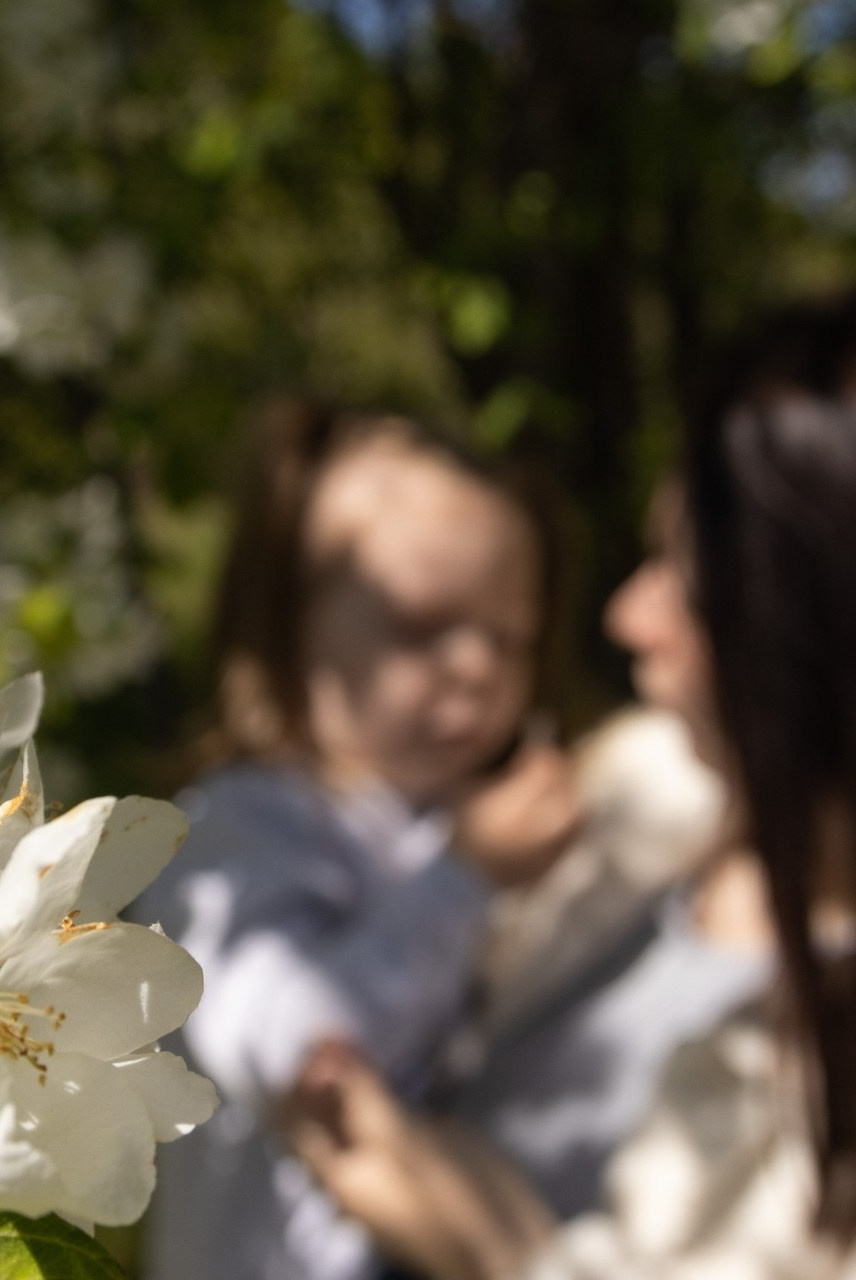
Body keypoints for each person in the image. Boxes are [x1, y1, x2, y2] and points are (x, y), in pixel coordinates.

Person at [284, 293, 856, 1279]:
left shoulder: (822, 1067)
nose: (627, 615)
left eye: (685, 581)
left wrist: (496, 1249)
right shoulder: (631, 794)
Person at [137, 400, 578, 1280]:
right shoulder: (236, 826)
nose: (478, 669)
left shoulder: (445, 818)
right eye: (420, 626)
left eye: (510, 638)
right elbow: (295, 1044)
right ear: (287, 626)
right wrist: (471, 878)